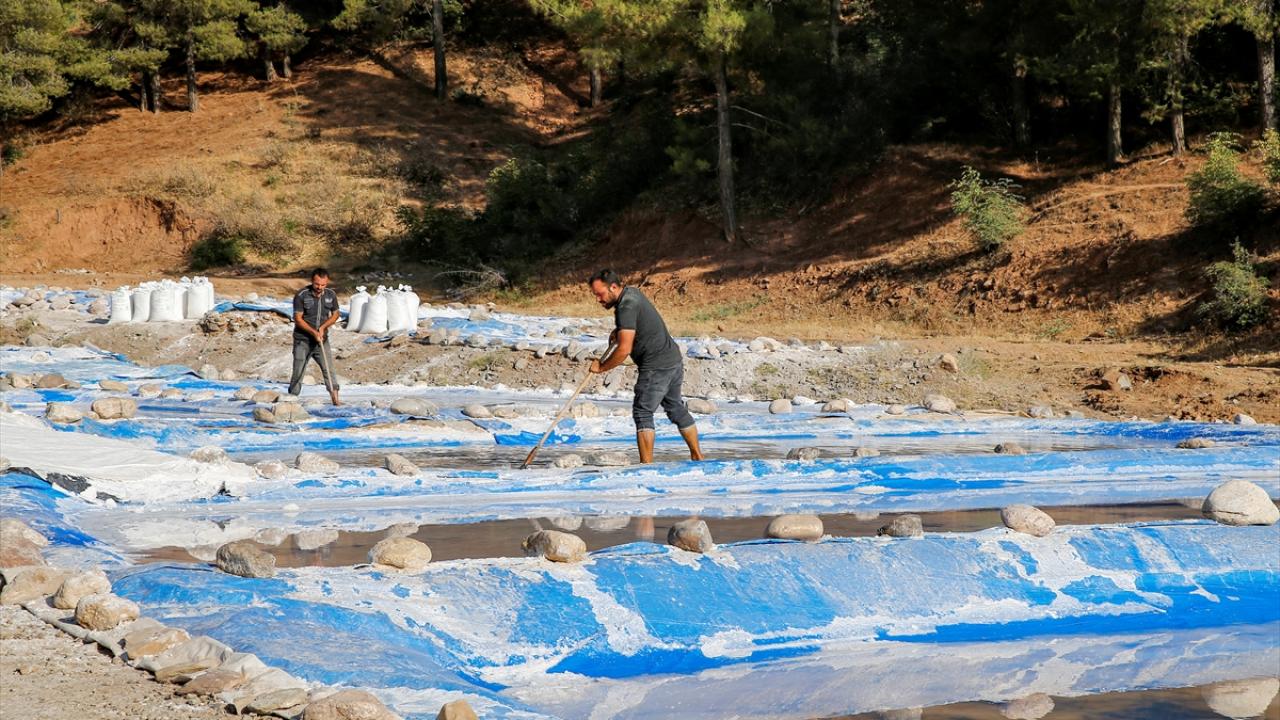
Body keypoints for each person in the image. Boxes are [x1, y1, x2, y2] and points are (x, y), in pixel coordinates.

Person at [588, 269, 704, 463]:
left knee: (642, 412)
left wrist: (601, 367)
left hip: (656, 366)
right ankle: (697, 456)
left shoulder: (626, 306)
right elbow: (640, 323)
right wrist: (620, 330)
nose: (598, 299)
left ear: (614, 287)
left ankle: (646, 466)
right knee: (674, 406)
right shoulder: (632, 293)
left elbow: (624, 349)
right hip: (672, 360)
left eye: (600, 294)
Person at [289, 268, 341, 405]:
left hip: (322, 341)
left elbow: (336, 314)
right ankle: (291, 400)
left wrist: (323, 328)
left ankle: (335, 400)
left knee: (328, 369)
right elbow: (298, 319)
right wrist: (313, 332)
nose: (320, 287)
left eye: (323, 285)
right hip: (303, 340)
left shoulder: (331, 295)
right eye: (317, 284)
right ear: (312, 281)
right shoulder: (301, 295)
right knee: (298, 369)